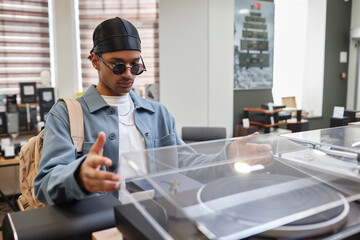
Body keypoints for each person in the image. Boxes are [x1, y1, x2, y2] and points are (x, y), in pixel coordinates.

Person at [34, 17, 272, 205]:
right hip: (102, 226)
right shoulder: (66, 113)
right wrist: (79, 176)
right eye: (118, 66)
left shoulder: (158, 114)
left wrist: (227, 156)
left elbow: (186, 162)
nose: (128, 74)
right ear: (95, 61)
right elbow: (44, 185)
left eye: (135, 65)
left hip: (156, 217)